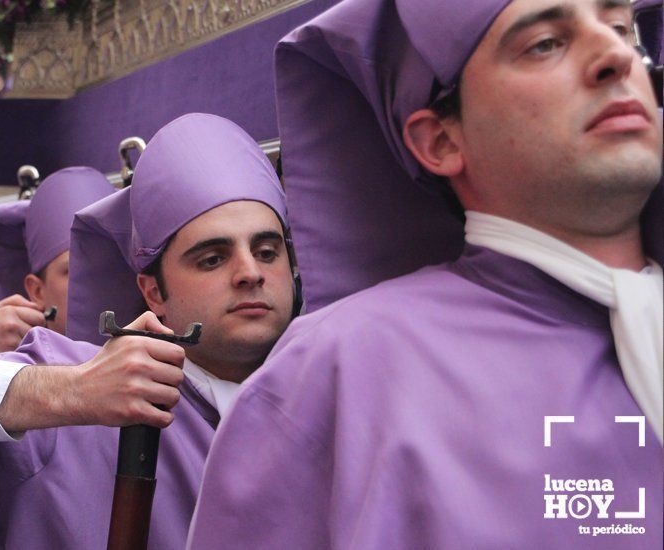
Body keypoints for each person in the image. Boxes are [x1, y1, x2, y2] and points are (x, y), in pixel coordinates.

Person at [187, 0, 663, 548]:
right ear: (441, 140)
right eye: (544, 44)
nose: (613, 55)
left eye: (621, 28)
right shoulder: (337, 375)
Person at [0, 113, 297, 548]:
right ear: (152, 292)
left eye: (268, 251)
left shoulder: (342, 388)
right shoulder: (69, 408)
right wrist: (67, 392)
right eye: (212, 258)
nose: (249, 272)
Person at [0, 166, 116, 336]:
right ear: (37, 292)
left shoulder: (159, 357)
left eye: (110, 268)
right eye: (75, 270)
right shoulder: (14, 363)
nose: (97, 282)